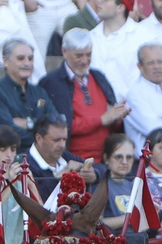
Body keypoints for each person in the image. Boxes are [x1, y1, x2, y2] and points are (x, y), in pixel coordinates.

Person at [38, 27, 129, 162]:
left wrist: (117, 117)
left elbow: (111, 123)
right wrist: (101, 119)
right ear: (64, 52)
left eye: (89, 54)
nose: (85, 60)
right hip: (71, 162)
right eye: (79, 55)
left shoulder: (98, 77)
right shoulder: (51, 83)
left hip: (106, 161)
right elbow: (59, 127)